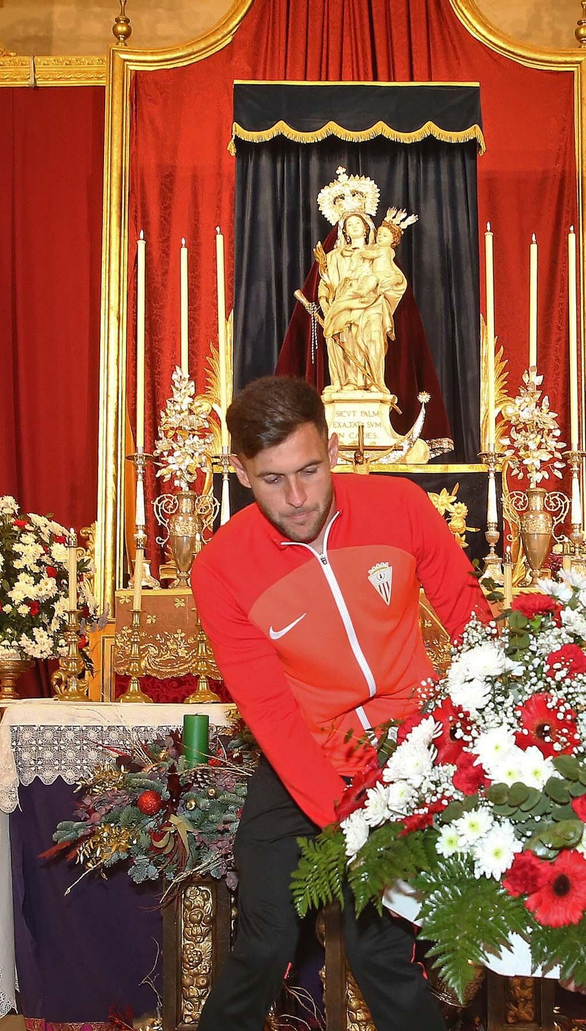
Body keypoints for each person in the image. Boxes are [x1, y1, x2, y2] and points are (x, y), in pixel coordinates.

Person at [190, 376, 489, 1031]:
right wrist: (347, 818)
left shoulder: (401, 506)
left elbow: (474, 624)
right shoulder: (220, 567)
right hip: (302, 757)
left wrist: (477, 736)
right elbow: (270, 712)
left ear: (331, 448)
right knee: (265, 940)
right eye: (272, 480)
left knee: (375, 945)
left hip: (407, 752)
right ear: (239, 471)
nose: (297, 498)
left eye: (310, 469)